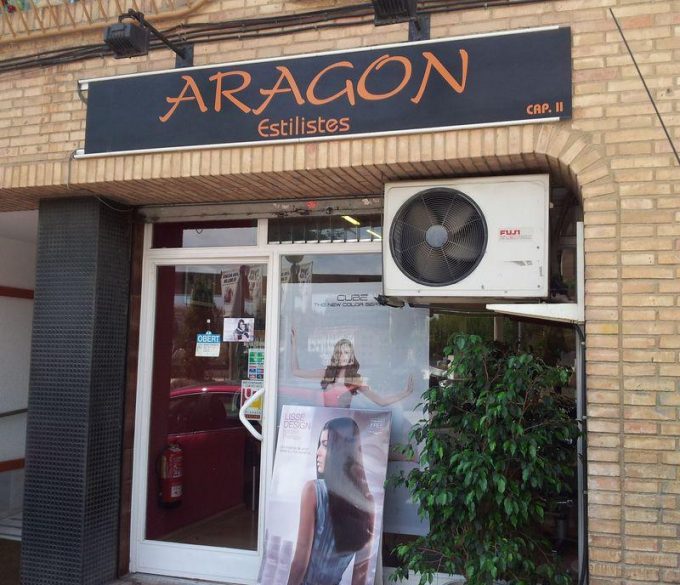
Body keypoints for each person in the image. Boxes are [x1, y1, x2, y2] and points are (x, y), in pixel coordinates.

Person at [287, 418, 375, 585]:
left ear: (342, 450)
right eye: (320, 444)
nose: (317, 452)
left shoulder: (313, 490)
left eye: (325, 445)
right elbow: (360, 574)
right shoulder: (367, 500)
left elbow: (300, 563)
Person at [290, 329, 413, 408]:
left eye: (346, 352)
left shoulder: (354, 379)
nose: (342, 356)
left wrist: (405, 392)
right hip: (325, 421)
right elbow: (296, 372)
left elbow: (381, 401)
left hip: (345, 424)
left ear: (351, 356)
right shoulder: (327, 373)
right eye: (339, 352)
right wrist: (294, 345)